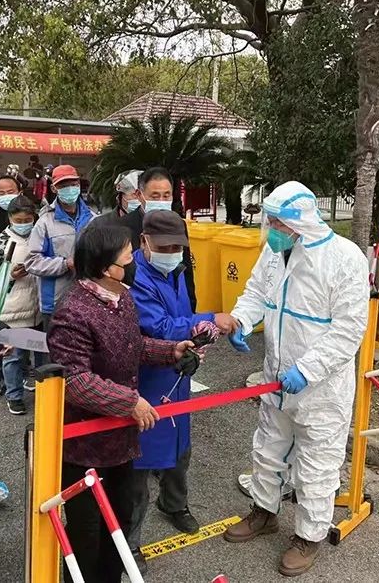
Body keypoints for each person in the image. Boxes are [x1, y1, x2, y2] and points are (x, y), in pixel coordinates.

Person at [221, 181, 368, 578]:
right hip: (276, 379)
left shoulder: (344, 258)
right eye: (269, 222)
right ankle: (264, 512)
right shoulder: (275, 251)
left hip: (320, 389)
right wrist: (242, 320)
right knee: (267, 449)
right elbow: (256, 292)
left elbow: (349, 329)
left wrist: (308, 369)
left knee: (316, 465)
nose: (271, 230)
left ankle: (309, 536)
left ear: (301, 222)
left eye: (277, 223)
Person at [47, 224, 195, 583]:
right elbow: (75, 381)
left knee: (121, 521)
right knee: (87, 535)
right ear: (105, 267)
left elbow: (135, 346)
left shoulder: (122, 298)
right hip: (86, 447)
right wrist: (130, 402)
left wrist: (171, 351)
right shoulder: (72, 312)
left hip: (122, 442)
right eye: (128, 258)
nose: (135, 263)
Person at [125, 210, 236, 572]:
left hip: (177, 375)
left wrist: (200, 337)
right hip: (145, 378)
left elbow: (183, 318)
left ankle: (174, 504)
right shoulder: (135, 276)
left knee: (180, 448)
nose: (171, 253)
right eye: (164, 247)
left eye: (177, 247)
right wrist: (207, 319)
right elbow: (158, 326)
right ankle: (129, 541)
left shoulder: (177, 270)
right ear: (145, 242)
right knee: (139, 462)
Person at [0, 195, 40, 415]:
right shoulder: (0, 242)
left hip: (36, 308)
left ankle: (33, 384)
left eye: (27, 220)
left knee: (36, 352)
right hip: (11, 311)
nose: (24, 224)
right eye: (19, 220)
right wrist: (10, 276)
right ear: (10, 218)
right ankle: (14, 396)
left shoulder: (38, 236)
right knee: (13, 355)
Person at [114, 167, 197, 311]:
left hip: (177, 304)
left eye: (166, 196)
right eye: (155, 196)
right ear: (139, 195)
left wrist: (191, 306)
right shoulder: (123, 226)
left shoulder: (178, 223)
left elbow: (186, 268)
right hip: (141, 307)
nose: (161, 201)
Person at [24, 164, 96, 329]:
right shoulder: (45, 222)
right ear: (54, 188)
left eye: (73, 184)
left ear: (79, 184)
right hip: (55, 303)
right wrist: (64, 264)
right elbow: (32, 261)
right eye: (63, 185)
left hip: (88, 300)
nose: (69, 188)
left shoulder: (93, 219)